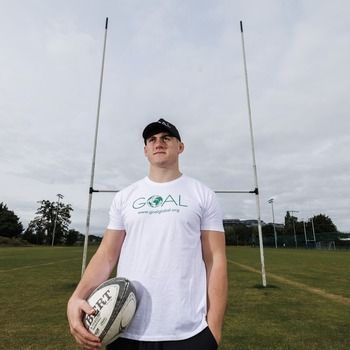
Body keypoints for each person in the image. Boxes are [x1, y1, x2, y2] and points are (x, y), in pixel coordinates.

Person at [67, 118, 228, 350]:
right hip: (126, 328)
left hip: (188, 332)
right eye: (152, 139)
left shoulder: (202, 194)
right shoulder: (125, 196)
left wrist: (213, 328)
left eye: (166, 138)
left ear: (180, 146)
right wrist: (77, 297)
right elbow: (106, 254)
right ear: (145, 150)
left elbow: (215, 259)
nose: (158, 143)